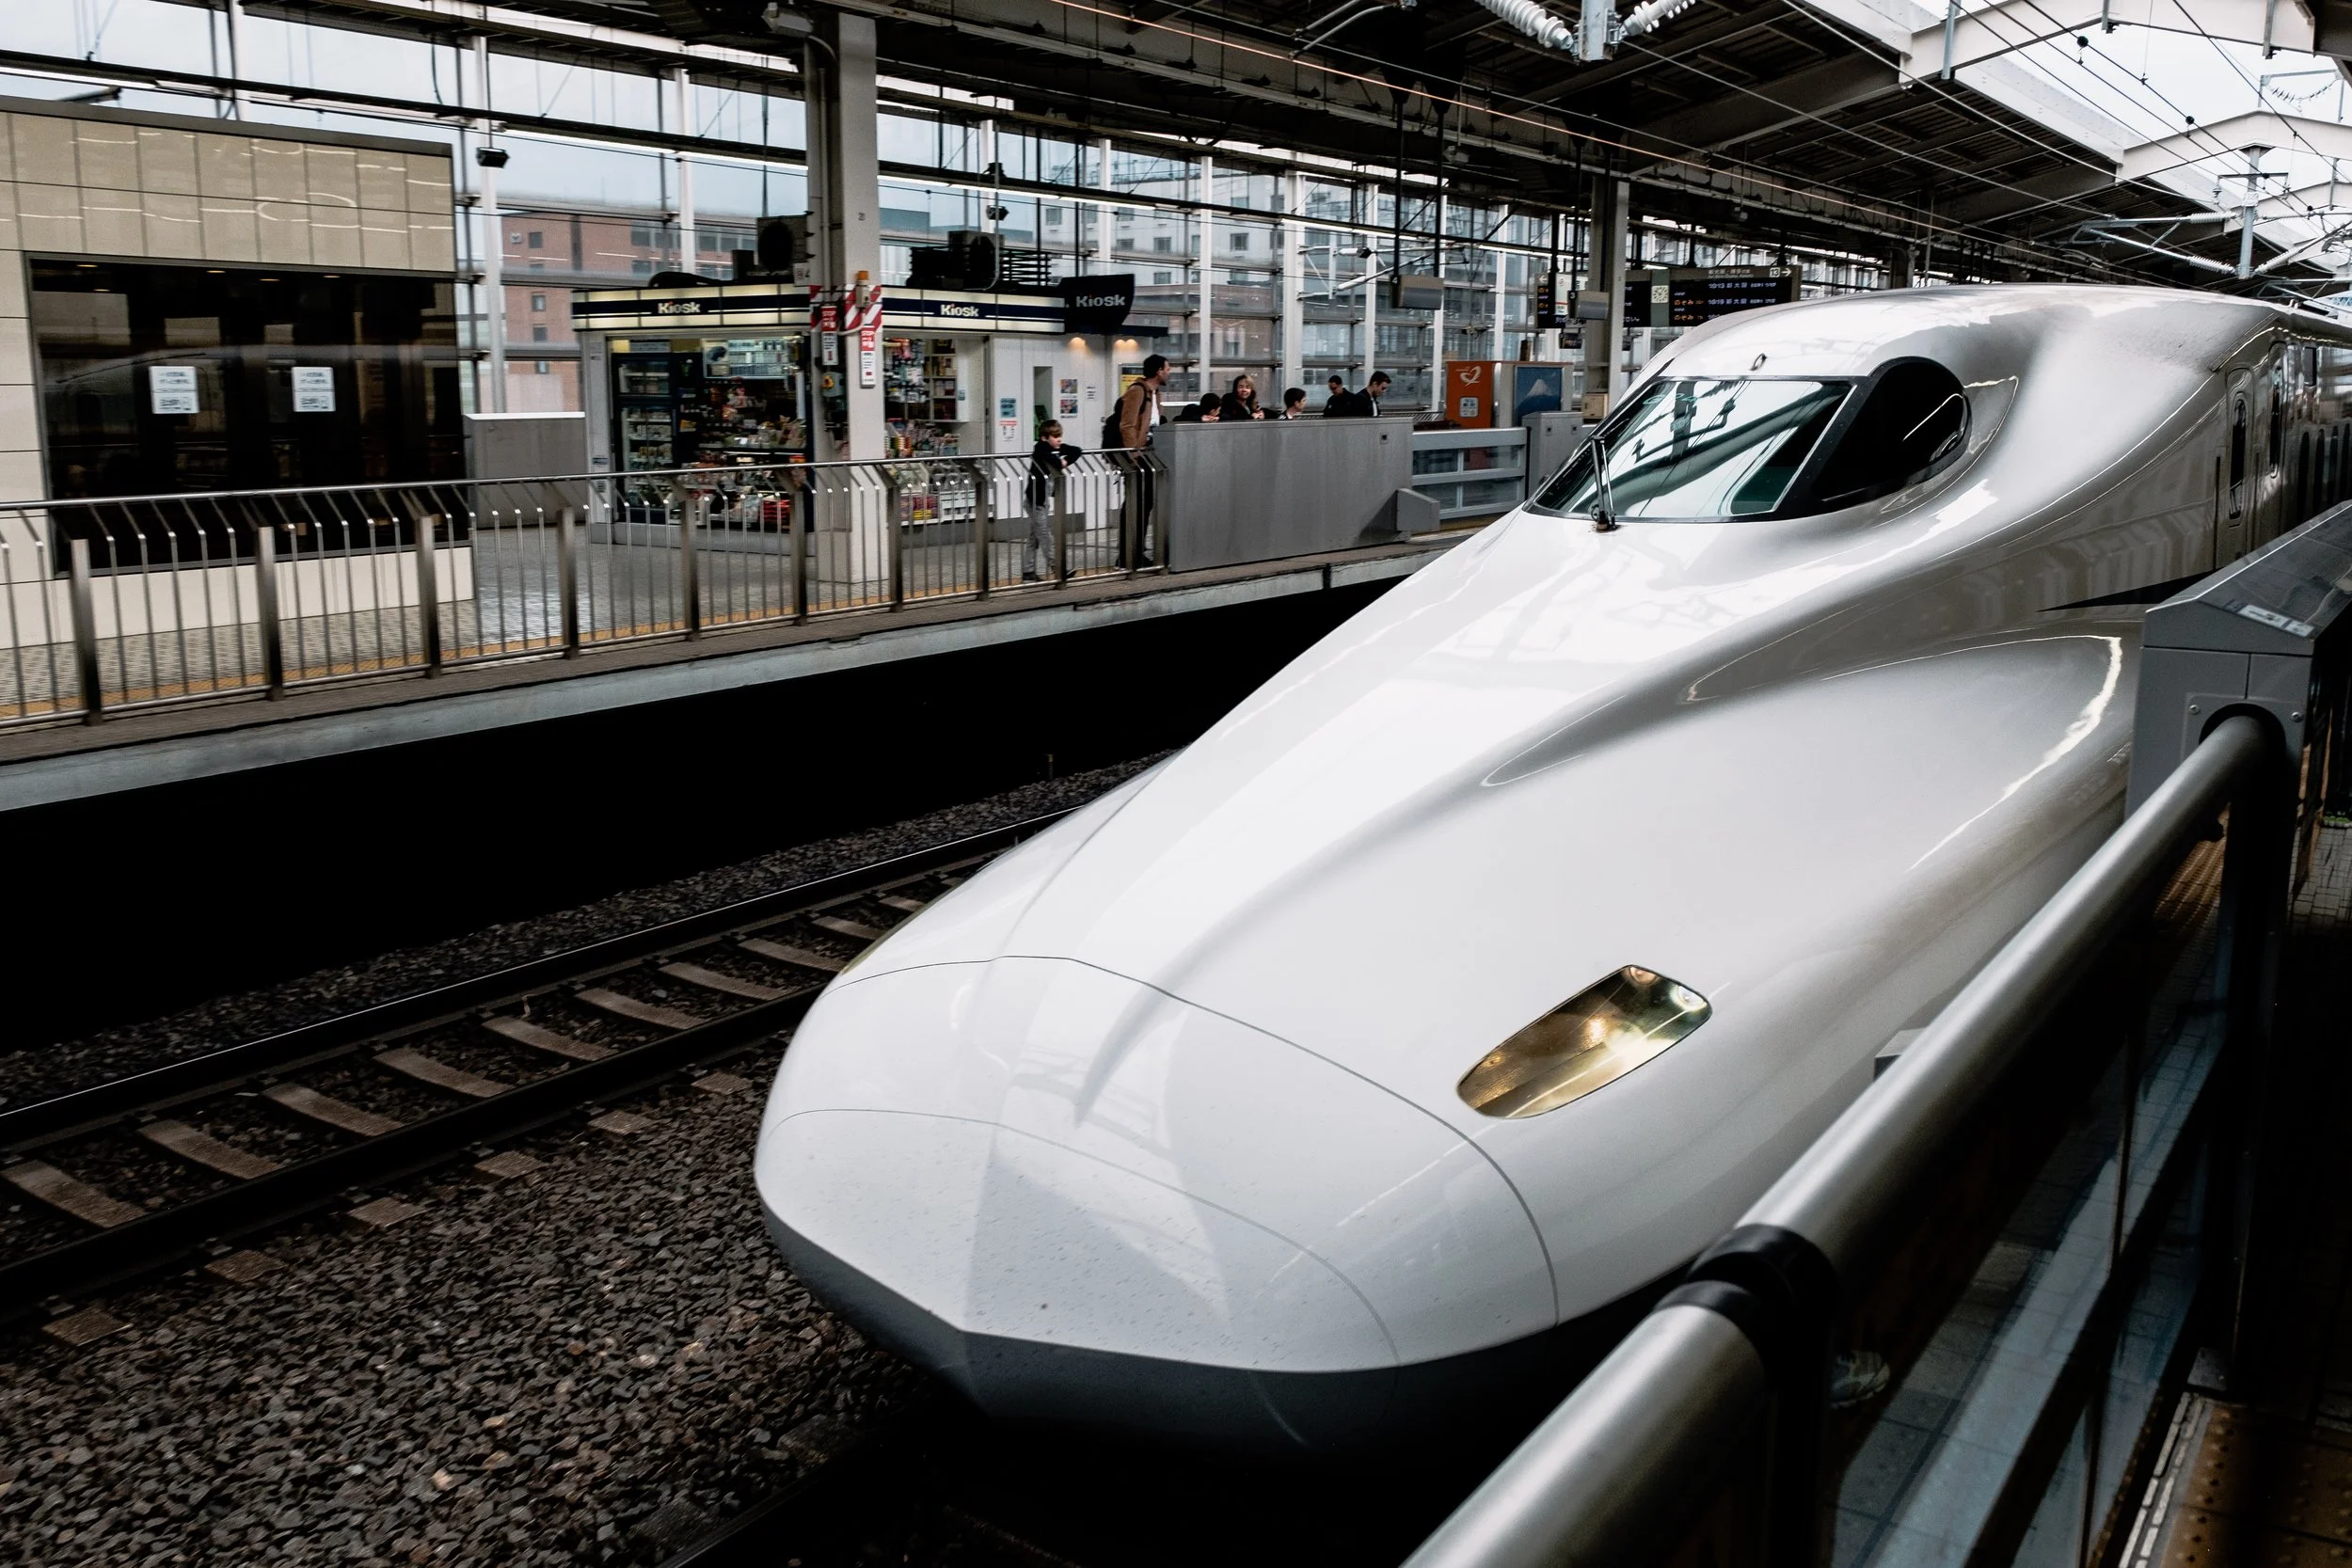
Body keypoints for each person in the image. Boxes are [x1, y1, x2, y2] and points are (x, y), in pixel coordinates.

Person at [1023, 420, 1080, 582]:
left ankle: (1028, 572)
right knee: (1045, 536)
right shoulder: (1040, 448)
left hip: (1042, 501)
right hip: (1035, 501)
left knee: (1034, 537)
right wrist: (1060, 461)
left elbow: (1077, 451)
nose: (1059, 440)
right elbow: (1048, 458)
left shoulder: (1056, 448)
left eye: (1059, 436)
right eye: (1055, 437)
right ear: (1044, 438)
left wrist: (1065, 461)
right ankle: (1057, 568)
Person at [1113, 354, 1169, 451]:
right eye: (1167, 370)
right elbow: (1128, 425)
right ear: (1159, 371)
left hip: (1150, 450)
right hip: (1140, 453)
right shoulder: (1137, 391)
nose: (1169, 373)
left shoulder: (1156, 394)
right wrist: (1135, 454)